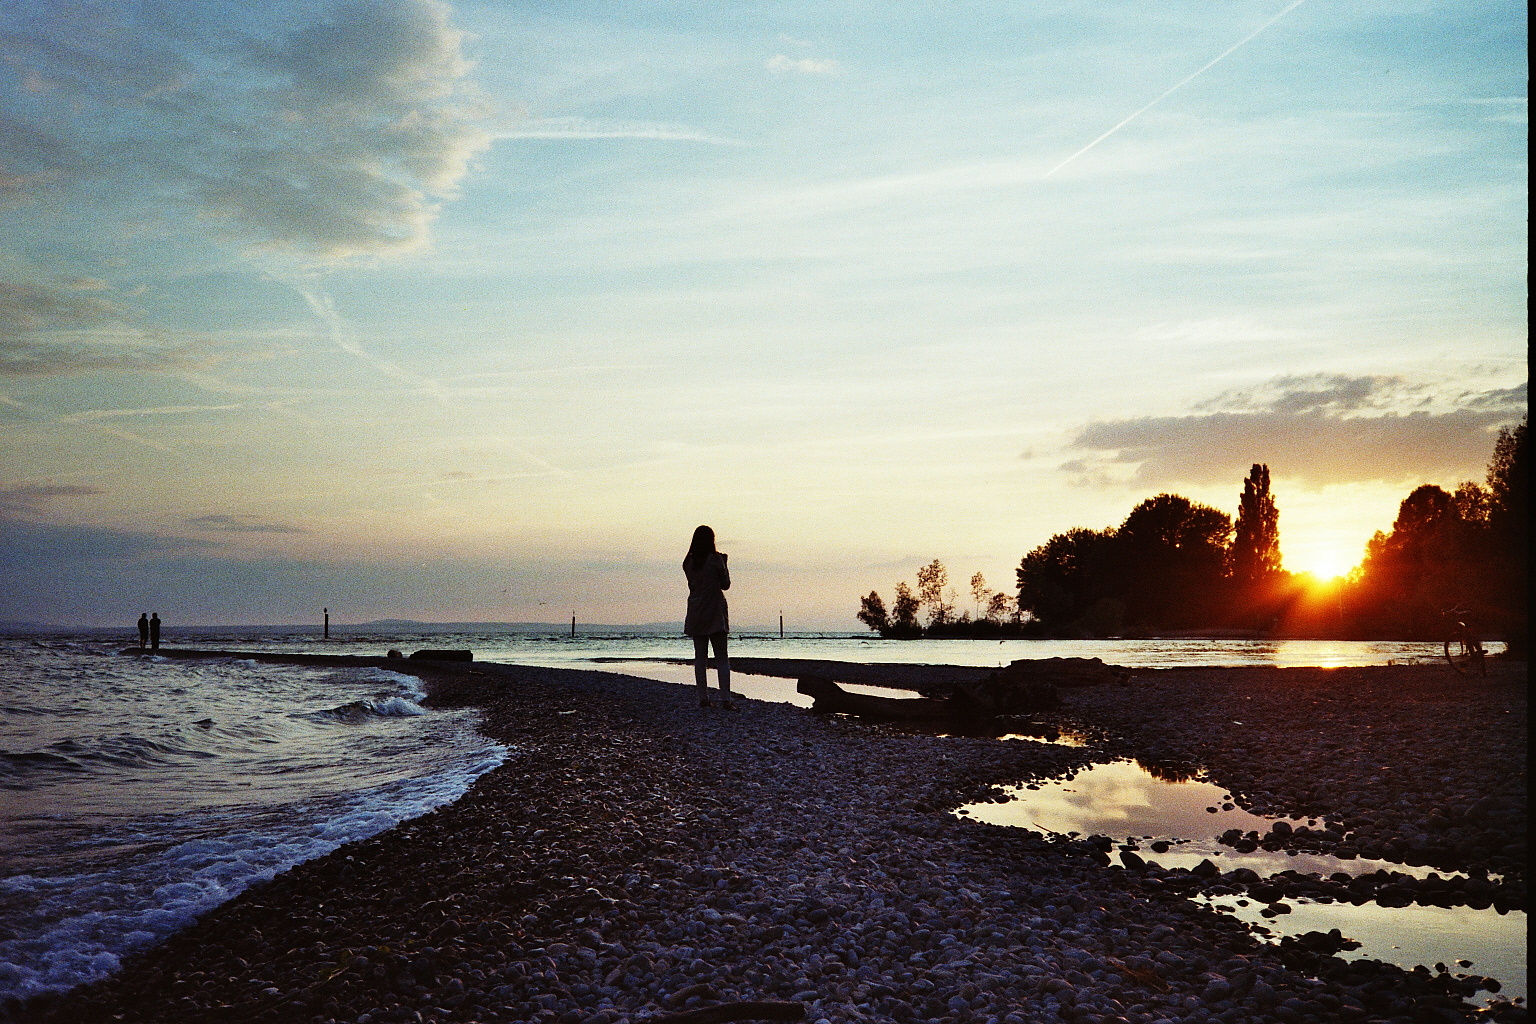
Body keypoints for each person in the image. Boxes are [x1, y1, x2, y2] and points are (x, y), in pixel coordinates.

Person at [683, 525, 732, 708]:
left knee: (700, 657)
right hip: (714, 610)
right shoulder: (715, 559)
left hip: (696, 610)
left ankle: (703, 698)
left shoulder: (689, 562)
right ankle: (725, 699)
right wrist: (725, 564)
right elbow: (725, 584)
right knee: (721, 657)